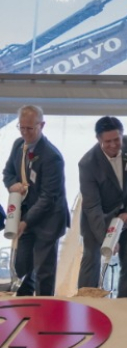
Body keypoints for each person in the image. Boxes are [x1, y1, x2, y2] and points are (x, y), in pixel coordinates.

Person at [77, 116, 127, 297]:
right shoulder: (87, 164)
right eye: (107, 141)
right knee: (91, 260)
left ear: (122, 135)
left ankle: (125, 306)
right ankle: (87, 301)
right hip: (98, 217)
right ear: (99, 140)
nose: (113, 145)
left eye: (116, 139)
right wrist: (107, 238)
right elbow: (92, 206)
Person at [2, 105, 70, 296]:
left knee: (43, 273)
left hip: (48, 221)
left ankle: (45, 314)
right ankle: (22, 310)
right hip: (26, 217)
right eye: (21, 127)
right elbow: (7, 173)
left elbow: (48, 197)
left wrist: (26, 221)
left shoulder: (52, 156)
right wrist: (12, 185)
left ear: (41, 125)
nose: (25, 132)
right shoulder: (18, 145)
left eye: (29, 128)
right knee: (21, 268)